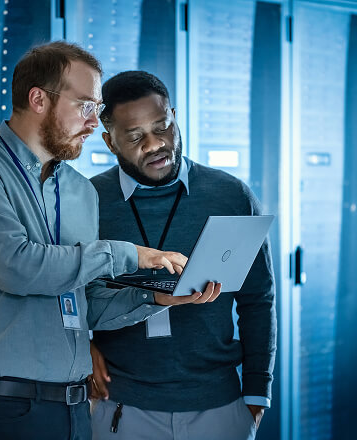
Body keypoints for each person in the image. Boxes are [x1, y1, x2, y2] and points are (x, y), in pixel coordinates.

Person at [0, 43, 221, 440]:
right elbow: (17, 267)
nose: (93, 123)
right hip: (1, 408)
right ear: (38, 99)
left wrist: (156, 298)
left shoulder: (79, 191)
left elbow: (86, 305)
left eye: (97, 108)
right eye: (86, 106)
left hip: (74, 409)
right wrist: (130, 255)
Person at [88, 71, 277, 440]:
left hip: (219, 409)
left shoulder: (230, 195)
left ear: (174, 116)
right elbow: (66, 294)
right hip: (121, 410)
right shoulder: (89, 202)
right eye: (136, 137)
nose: (156, 144)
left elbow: (258, 300)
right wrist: (84, 346)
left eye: (163, 126)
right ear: (110, 142)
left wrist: (256, 395)